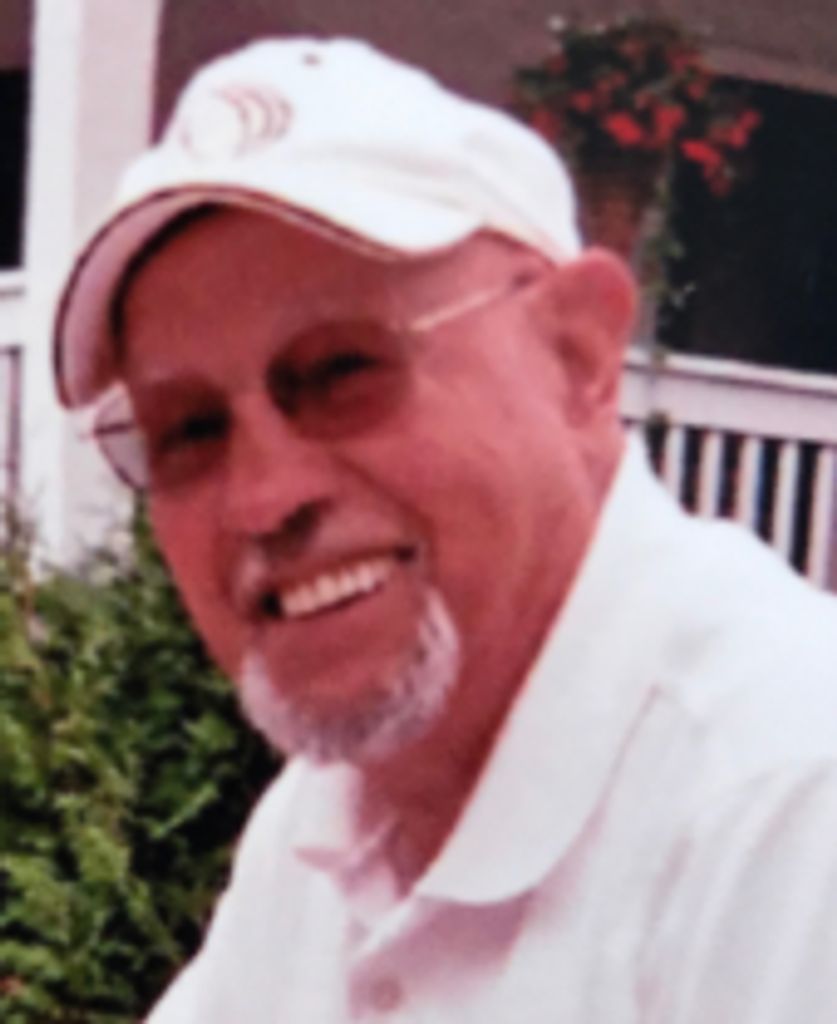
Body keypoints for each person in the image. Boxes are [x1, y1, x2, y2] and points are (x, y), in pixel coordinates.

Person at [54, 37, 837, 1024]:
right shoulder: (326, 828)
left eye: (342, 371)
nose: (263, 498)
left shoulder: (786, 803)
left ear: (577, 354)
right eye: (189, 431)